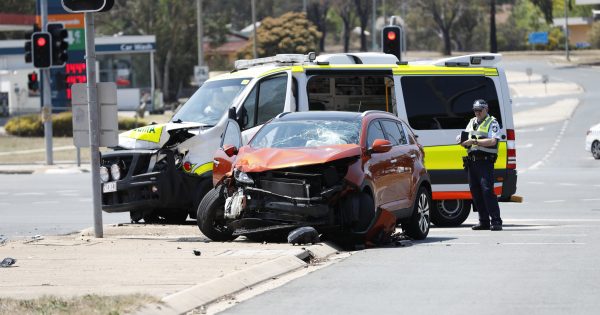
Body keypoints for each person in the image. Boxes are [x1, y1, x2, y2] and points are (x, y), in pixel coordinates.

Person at [460, 99, 503, 231]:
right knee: (476, 192)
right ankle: (483, 221)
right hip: (472, 161)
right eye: (475, 110)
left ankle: (496, 221)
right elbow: (466, 137)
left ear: (486, 110)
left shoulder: (493, 122)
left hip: (485, 161)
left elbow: (493, 141)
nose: (477, 113)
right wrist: (462, 141)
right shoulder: (472, 121)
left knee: (487, 191)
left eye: (479, 110)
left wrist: (475, 142)